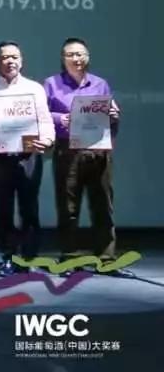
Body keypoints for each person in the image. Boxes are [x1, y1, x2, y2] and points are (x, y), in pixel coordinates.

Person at [43, 38, 130, 277]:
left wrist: (114, 116)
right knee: (68, 207)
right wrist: (60, 118)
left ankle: (106, 258)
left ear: (88, 57)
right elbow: (40, 115)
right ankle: (70, 258)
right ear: (63, 59)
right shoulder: (51, 84)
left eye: (80, 54)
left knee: (103, 206)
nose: (76, 59)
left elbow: (110, 117)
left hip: (99, 149)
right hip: (68, 150)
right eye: (71, 54)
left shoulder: (100, 84)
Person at [0, 41, 55, 277]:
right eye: (5, 57)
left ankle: (29, 257)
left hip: (28, 155)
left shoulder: (34, 88)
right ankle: (8, 257)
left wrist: (48, 140)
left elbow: (45, 120)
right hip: (0, 156)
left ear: (21, 61)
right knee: (3, 209)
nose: (10, 61)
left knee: (29, 208)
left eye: (15, 57)